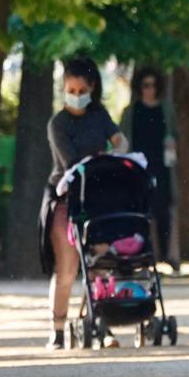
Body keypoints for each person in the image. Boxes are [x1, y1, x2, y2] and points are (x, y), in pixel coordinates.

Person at [39, 58, 129, 350]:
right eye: (71, 89)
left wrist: (118, 152)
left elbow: (119, 140)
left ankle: (101, 325)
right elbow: (70, 163)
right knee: (66, 268)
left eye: (81, 89)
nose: (76, 94)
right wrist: (98, 161)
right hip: (66, 198)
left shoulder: (99, 115)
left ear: (91, 87)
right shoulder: (58, 124)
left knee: (100, 266)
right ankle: (58, 329)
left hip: (98, 198)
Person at [120, 68, 178, 270]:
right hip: (138, 168)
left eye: (153, 85)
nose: (149, 90)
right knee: (140, 210)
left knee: (163, 211)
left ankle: (164, 254)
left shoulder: (166, 109)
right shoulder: (131, 111)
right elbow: (123, 140)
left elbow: (174, 134)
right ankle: (143, 252)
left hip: (162, 167)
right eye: (145, 85)